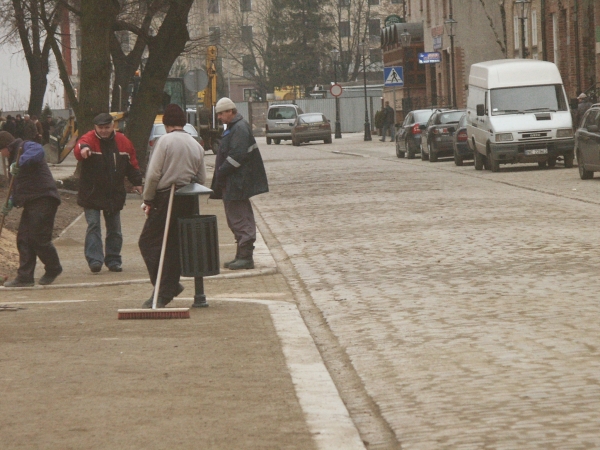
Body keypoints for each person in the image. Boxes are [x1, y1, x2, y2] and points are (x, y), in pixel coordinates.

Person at [139, 104, 206, 308]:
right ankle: (168, 287)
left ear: (166, 123)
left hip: (166, 196)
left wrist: (148, 199)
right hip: (188, 197)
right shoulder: (196, 145)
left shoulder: (164, 141)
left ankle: (166, 287)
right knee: (174, 245)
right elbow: (202, 177)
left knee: (149, 242)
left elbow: (152, 174)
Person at [74, 112, 143, 273]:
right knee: (93, 225)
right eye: (100, 128)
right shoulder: (89, 139)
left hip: (113, 193)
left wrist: (137, 183)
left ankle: (113, 260)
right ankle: (95, 260)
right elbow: (80, 146)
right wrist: (83, 150)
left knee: (114, 229)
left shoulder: (123, 142)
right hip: (91, 192)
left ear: (113, 126)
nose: (104, 131)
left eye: (107, 127)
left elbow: (132, 164)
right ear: (95, 127)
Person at [211, 97, 269, 270]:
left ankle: (245, 256)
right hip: (235, 182)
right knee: (236, 217)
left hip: (237, 183)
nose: (219, 117)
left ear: (231, 111)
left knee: (240, 218)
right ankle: (241, 254)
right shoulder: (236, 127)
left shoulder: (239, 128)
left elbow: (237, 156)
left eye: (221, 113)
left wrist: (222, 172)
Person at [0, 131, 62, 287]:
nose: (1, 154)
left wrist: (19, 162)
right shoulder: (13, 158)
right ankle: (25, 277)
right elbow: (19, 184)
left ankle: (54, 267)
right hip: (31, 202)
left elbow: (39, 151)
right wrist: (12, 201)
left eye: (1, 150)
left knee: (38, 237)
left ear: (6, 146)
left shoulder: (25, 146)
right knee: (24, 238)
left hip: (44, 198)